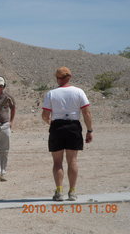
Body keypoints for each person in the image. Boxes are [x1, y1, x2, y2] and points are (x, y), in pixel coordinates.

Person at [42, 67, 93, 201]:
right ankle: (72, 191)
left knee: (57, 162)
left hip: (57, 126)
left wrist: (50, 123)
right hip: (73, 126)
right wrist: (89, 130)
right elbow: (86, 113)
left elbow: (45, 115)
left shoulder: (51, 93)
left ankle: (59, 192)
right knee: (73, 161)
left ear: (59, 78)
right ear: (69, 77)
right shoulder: (79, 92)